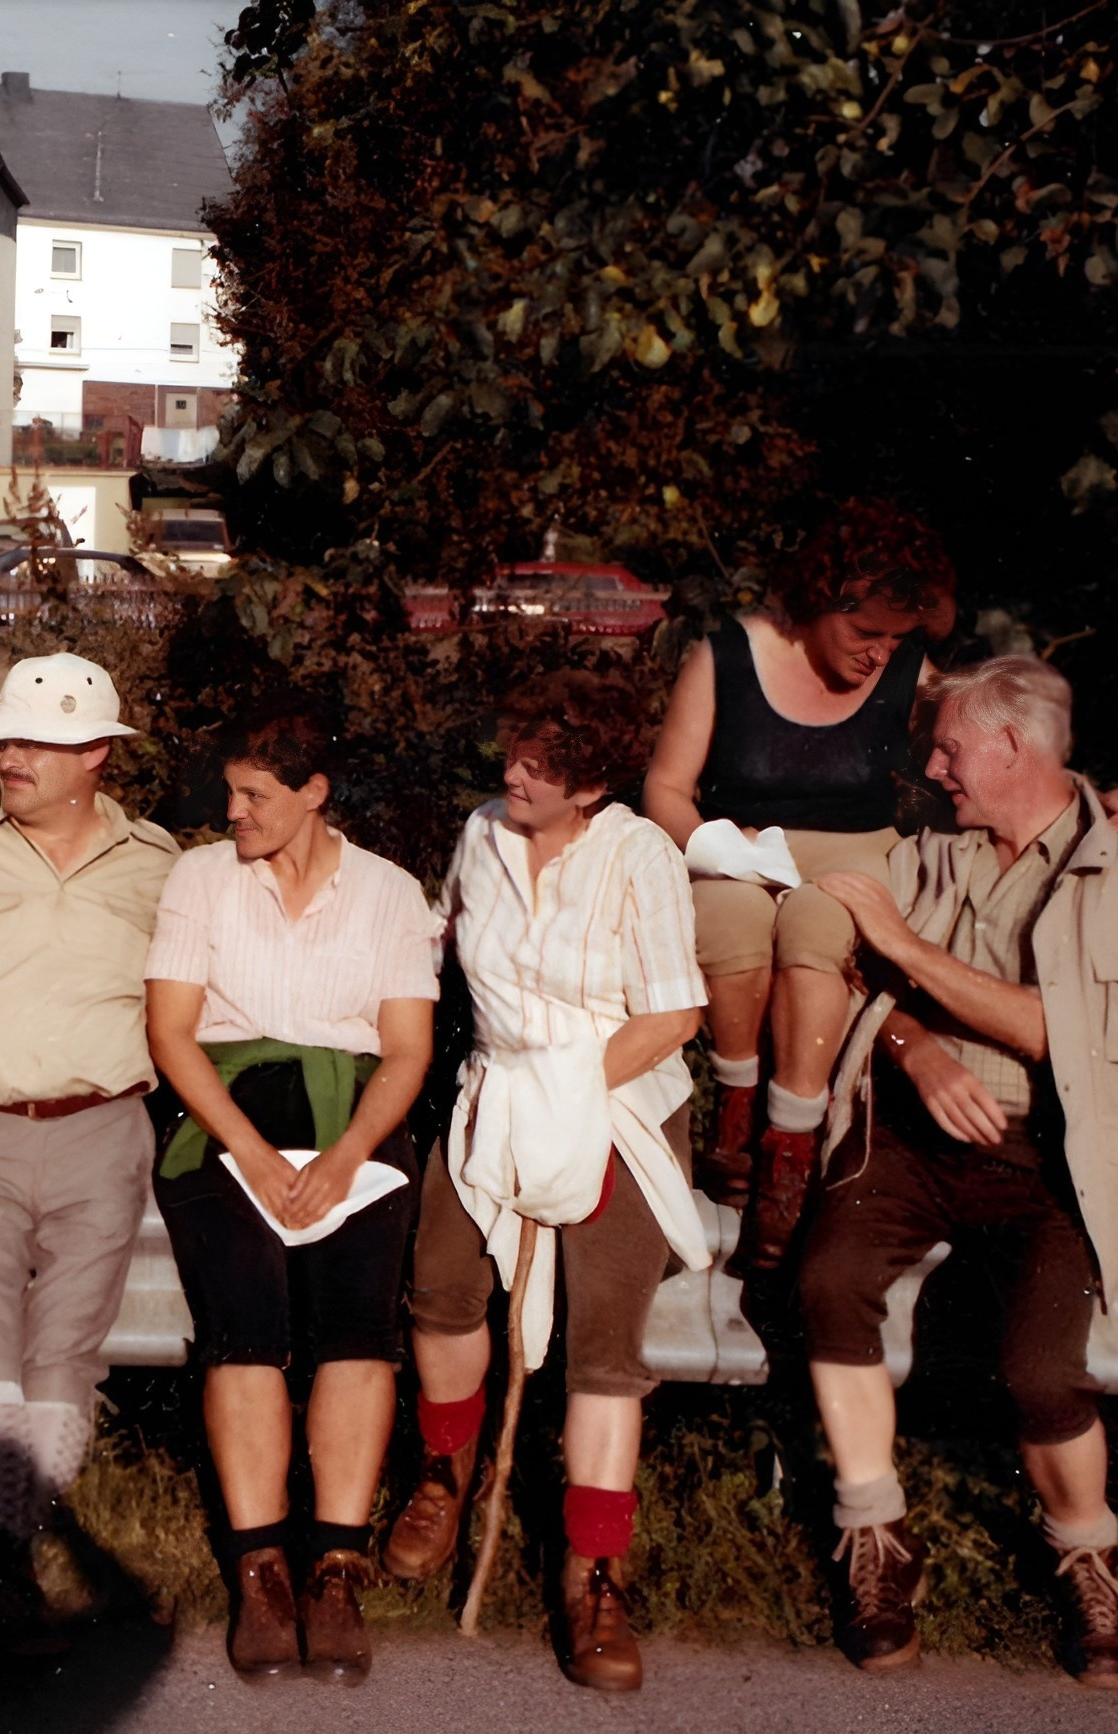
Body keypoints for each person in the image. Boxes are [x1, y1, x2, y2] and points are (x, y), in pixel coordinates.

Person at [795, 657, 1118, 1686]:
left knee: (1039, 1371)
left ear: (1013, 748)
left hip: (1052, 1159)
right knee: (827, 1285)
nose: (935, 767)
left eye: (951, 748)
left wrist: (907, 951)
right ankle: (875, 1536)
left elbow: (1053, 1030)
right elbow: (857, 970)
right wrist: (916, 1053)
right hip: (909, 1143)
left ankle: (1086, 1558)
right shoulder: (929, 851)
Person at [642, 502, 1118, 1271]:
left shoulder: (908, 671)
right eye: (866, 633)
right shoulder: (726, 657)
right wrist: (719, 849)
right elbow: (666, 789)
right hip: (738, 848)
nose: (881, 653)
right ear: (821, 601)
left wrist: (1096, 803)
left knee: (821, 925)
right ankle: (736, 1109)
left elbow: (997, 749)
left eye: (897, 637)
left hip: (856, 850)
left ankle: (791, 1149)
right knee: (728, 919)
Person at [385, 670, 709, 1693]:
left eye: (540, 765)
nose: (514, 774)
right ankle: (447, 1472)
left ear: (592, 783)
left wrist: (561, 1097)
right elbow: (434, 940)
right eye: (513, 753)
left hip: (615, 1100)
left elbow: (673, 1015)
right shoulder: (482, 833)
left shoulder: (639, 855)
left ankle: (594, 1569)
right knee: (441, 1283)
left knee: (603, 1345)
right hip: (499, 1093)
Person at [144, 695, 439, 1683]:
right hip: (225, 1119)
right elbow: (172, 1034)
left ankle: (337, 1568)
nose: (234, 812)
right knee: (246, 1322)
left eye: (255, 795)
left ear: (314, 793)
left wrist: (348, 1157)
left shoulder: (390, 891)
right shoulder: (200, 878)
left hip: (357, 1121)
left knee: (359, 1326)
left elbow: (407, 1050)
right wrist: (257, 1155)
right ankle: (262, 1568)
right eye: (229, 793)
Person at [0, 653, 181, 1640]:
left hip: (104, 1130)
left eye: (39, 743)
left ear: (99, 755)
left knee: (67, 1344)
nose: (12, 758)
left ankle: (11, 1551)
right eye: (6, 740)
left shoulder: (159, 864)